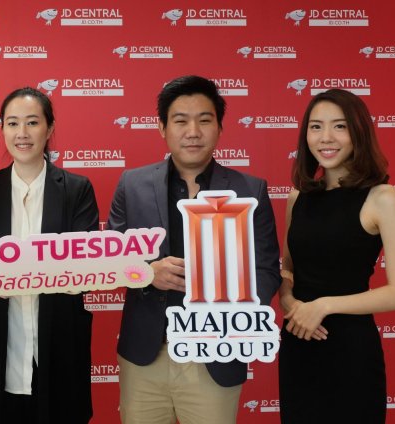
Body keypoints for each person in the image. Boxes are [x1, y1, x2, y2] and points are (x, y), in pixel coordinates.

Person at [107, 75, 281, 424]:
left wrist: (227, 301)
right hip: (146, 356)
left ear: (219, 127)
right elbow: (111, 260)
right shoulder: (132, 184)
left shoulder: (250, 190)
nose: (193, 132)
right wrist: (146, 273)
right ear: (162, 127)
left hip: (216, 355)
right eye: (180, 121)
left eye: (204, 120)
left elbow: (266, 270)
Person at [0, 87, 98, 423]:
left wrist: (12, 273)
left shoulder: (77, 190)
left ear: (49, 129)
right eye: (12, 123)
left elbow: (84, 268)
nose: (22, 133)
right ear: (2, 129)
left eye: (32, 122)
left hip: (59, 343)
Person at [278, 89, 395, 424]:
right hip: (298, 341)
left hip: (351, 350)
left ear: (358, 132)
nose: (326, 137)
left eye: (339, 126)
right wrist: (289, 302)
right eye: (316, 127)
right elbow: (288, 268)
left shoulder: (383, 198)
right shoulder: (298, 197)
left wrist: (323, 306)